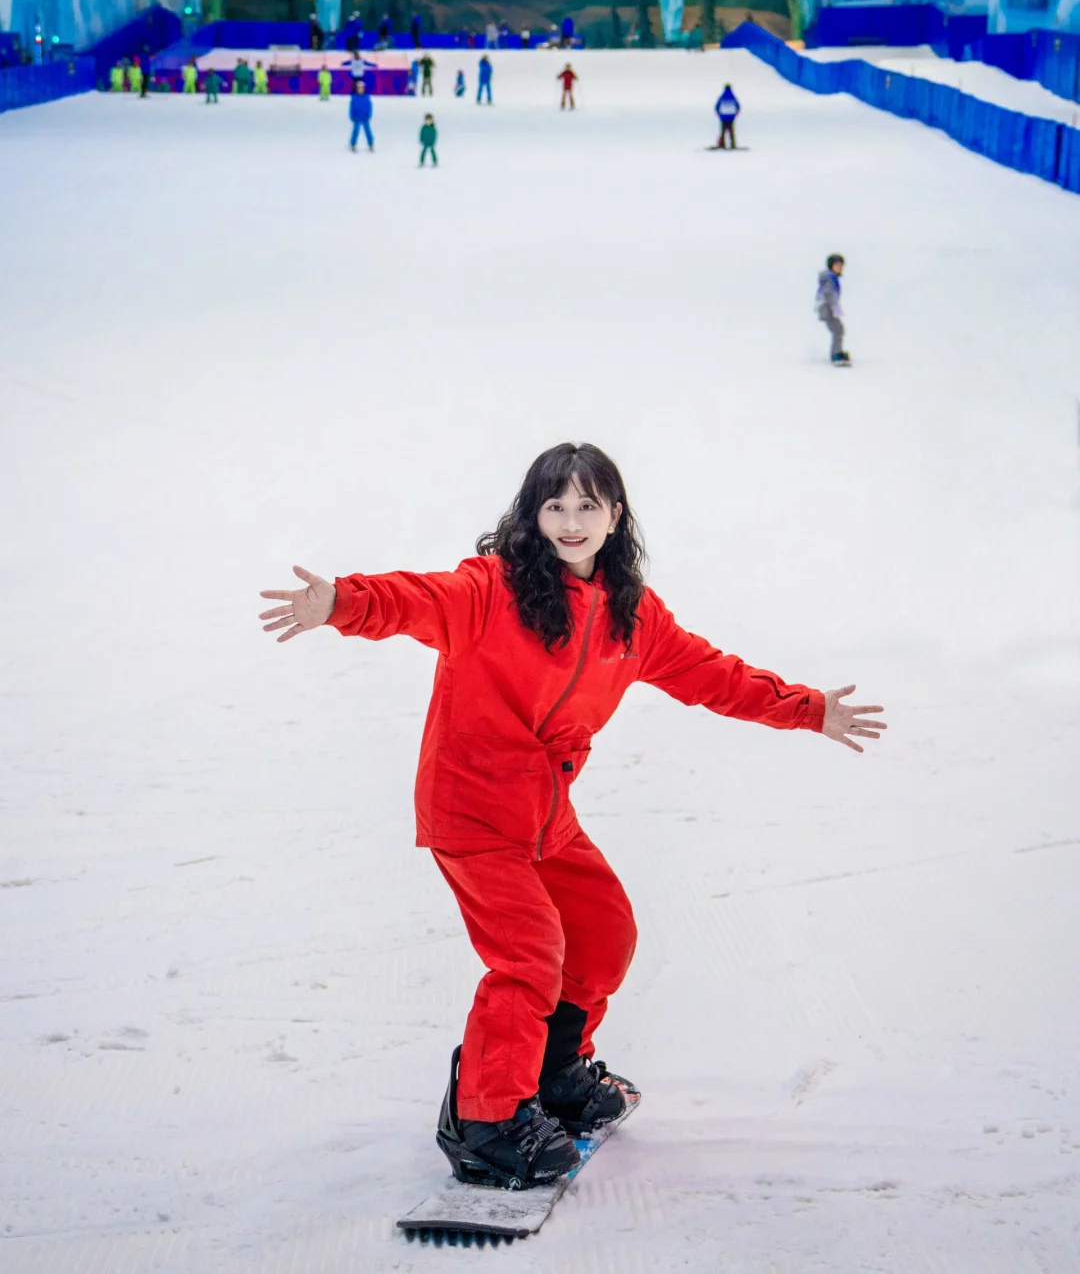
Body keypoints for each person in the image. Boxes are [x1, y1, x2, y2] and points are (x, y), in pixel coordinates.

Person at [258, 443, 885, 1189]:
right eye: (555, 505)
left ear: (616, 516)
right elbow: (416, 599)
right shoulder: (490, 589)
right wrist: (341, 602)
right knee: (529, 953)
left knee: (603, 932)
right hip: (472, 807)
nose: (571, 520)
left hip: (544, 811)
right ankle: (487, 1123)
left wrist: (809, 710)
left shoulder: (634, 618)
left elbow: (714, 676)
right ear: (534, 514)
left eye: (589, 504)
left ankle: (553, 1073)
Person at [815, 254, 850, 365]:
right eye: (837, 265)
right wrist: (835, 309)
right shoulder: (829, 279)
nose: (839, 268)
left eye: (841, 266)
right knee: (838, 330)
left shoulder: (831, 278)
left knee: (838, 330)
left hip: (828, 308)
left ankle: (837, 352)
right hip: (827, 309)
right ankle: (836, 355)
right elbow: (828, 294)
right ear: (831, 266)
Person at [348, 77, 374, 153]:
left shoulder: (367, 97)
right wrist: (352, 116)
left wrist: (369, 115)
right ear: (357, 89)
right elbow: (351, 108)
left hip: (365, 117)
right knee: (355, 131)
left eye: (362, 88)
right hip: (357, 117)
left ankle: (370, 144)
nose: (360, 90)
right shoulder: (354, 98)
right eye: (359, 88)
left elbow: (370, 107)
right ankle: (353, 144)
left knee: (368, 131)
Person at [714, 83, 740, 148]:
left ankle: (722, 144)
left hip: (723, 117)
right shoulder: (733, 97)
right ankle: (733, 145)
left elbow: (717, 106)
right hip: (731, 117)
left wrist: (718, 113)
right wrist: (736, 113)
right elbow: (738, 106)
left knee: (723, 132)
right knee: (731, 132)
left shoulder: (722, 97)